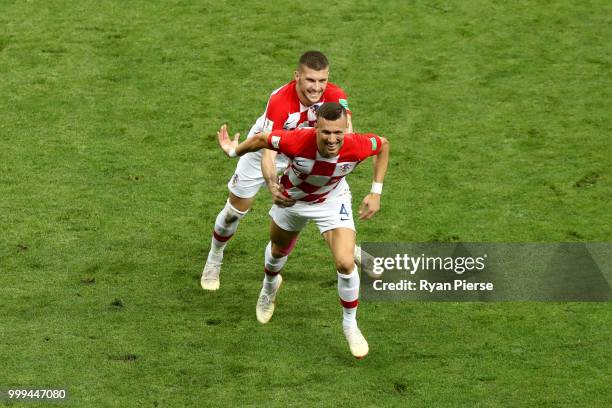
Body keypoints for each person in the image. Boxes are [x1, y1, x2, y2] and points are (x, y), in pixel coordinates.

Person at [217, 102, 390, 359]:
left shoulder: (358, 144)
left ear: (346, 130)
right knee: (277, 253)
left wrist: (376, 193)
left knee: (344, 263)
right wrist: (234, 151)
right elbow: (262, 140)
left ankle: (350, 324)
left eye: (338, 133)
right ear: (315, 129)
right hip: (292, 201)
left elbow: (384, 144)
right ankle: (269, 287)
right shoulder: (296, 140)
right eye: (326, 133)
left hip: (332, 200)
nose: (332, 139)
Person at [201, 51, 355, 291]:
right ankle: (214, 257)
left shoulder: (336, 96)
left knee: (316, 204)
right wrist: (272, 185)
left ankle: (346, 248)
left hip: (303, 155)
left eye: (322, 81)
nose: (317, 88)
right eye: (310, 80)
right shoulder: (280, 101)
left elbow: (348, 134)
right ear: (297, 77)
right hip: (266, 147)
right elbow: (268, 152)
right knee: (234, 212)